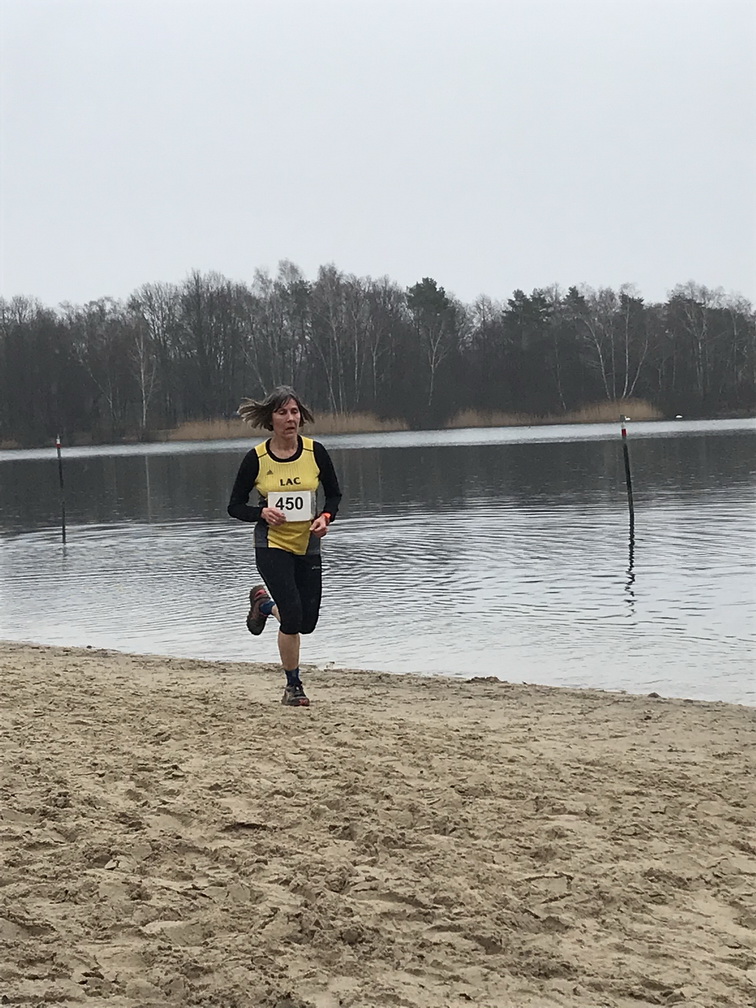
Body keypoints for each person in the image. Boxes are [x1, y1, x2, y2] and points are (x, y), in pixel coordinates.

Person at [227, 386, 342, 707]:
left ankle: (263, 605)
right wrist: (261, 512)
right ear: (271, 419)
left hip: (308, 544)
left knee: (306, 623)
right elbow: (234, 506)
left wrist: (326, 518)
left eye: (294, 412)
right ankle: (294, 686)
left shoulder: (315, 452)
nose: (290, 419)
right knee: (291, 618)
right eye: (282, 413)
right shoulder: (256, 458)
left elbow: (334, 494)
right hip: (271, 545)